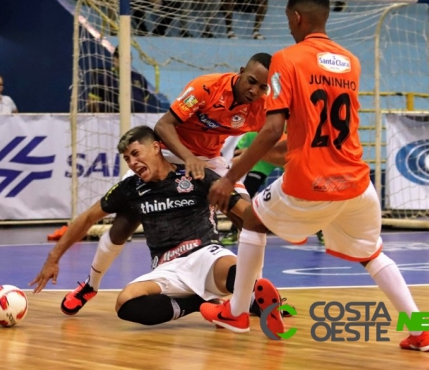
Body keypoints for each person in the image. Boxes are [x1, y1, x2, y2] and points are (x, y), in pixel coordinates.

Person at [203, 0, 429, 352]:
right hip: (358, 184)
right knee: (371, 253)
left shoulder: (288, 58)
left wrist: (229, 178)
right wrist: (258, 157)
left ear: (296, 17)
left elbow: (271, 130)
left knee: (252, 220)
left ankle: (235, 313)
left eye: (288, 19)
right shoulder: (351, 62)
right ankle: (421, 330)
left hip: (311, 183)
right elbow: (310, 135)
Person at [30, 126, 285, 328]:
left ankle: (250, 294)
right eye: (127, 158)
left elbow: (247, 215)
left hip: (206, 255)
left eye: (136, 153)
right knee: (125, 303)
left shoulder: (195, 175)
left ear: (156, 147)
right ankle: (199, 304)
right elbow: (86, 219)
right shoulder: (131, 188)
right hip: (166, 268)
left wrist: (271, 216)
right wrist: (54, 257)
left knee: (235, 271)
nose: (132, 162)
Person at [154, 52, 270, 195]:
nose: (254, 91)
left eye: (263, 87)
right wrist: (189, 158)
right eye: (251, 81)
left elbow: (278, 144)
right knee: (128, 202)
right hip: (169, 150)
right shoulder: (205, 87)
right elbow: (163, 125)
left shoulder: (264, 108)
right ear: (241, 72)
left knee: (243, 209)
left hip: (210, 159)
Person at [86, 47, 159, 113]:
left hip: (136, 119)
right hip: (111, 120)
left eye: (127, 58)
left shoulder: (139, 78)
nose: (123, 61)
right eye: (119, 57)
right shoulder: (104, 77)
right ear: (114, 59)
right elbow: (91, 102)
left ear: (131, 59)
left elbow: (145, 100)